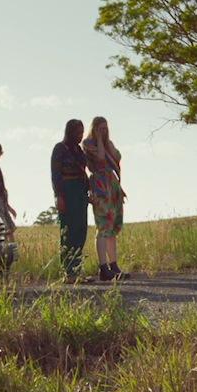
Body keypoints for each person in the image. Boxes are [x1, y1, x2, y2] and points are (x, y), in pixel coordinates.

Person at [83, 115, 126, 281]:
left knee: (113, 228)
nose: (104, 131)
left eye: (106, 128)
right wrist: (100, 140)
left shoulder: (109, 143)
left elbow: (117, 157)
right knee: (103, 226)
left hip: (112, 184)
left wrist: (107, 142)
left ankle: (114, 265)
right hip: (100, 185)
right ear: (94, 129)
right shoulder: (88, 144)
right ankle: (103, 267)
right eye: (100, 128)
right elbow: (100, 159)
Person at [49, 119, 90, 282]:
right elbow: (55, 174)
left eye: (82, 132)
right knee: (68, 232)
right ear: (70, 132)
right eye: (78, 132)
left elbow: (84, 171)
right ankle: (68, 272)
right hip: (67, 191)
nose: (80, 136)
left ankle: (77, 269)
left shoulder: (78, 150)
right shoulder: (60, 148)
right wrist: (59, 196)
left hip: (80, 191)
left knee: (81, 230)